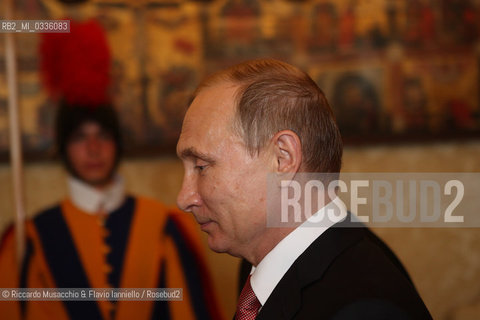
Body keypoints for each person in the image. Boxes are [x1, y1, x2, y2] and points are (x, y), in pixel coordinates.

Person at [176, 58, 433, 319]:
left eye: (201, 166)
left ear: (282, 158)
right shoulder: (259, 268)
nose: (184, 198)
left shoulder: (364, 309)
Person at [0, 102, 223, 320]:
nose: (93, 149)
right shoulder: (31, 237)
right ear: (63, 147)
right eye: (79, 137)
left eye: (103, 136)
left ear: (117, 143)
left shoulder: (164, 226)